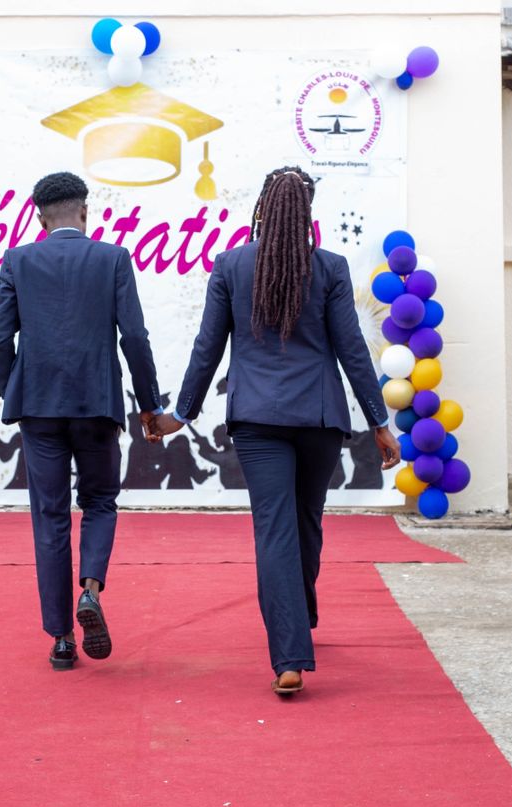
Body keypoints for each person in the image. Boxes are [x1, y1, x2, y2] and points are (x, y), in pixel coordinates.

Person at [149, 165, 400, 696]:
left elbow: (207, 348)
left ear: (261, 209)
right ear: (307, 214)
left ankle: (290, 653)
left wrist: (181, 415)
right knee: (306, 522)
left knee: (276, 529)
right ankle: (297, 624)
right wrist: (379, 422)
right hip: (319, 419)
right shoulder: (329, 267)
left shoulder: (231, 265)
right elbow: (353, 351)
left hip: (258, 420)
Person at [0, 171, 163, 671]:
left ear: (40, 218)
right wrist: (148, 404)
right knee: (100, 502)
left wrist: (13, 389)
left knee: (50, 515)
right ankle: (90, 590)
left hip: (38, 407)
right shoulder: (113, 258)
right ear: (85, 211)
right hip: (97, 404)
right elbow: (135, 337)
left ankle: (62, 638)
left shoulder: (18, 260)